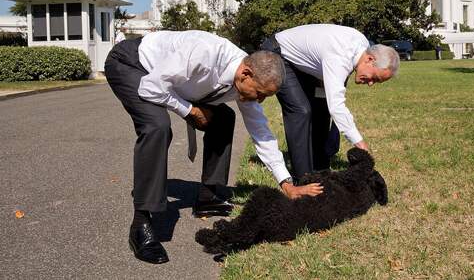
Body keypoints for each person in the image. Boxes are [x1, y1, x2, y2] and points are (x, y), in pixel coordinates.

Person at [104, 30, 323, 264]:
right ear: (246, 74)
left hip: (172, 80)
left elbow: (261, 131)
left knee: (224, 118)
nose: (259, 100)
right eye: (259, 94)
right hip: (134, 64)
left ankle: (208, 197)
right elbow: (151, 88)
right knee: (157, 126)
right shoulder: (203, 53)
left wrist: (286, 183)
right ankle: (141, 224)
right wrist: (191, 111)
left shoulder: (245, 78)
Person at [260, 24, 400, 181]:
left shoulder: (362, 48)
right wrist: (360, 144)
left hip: (303, 66)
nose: (370, 83)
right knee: (301, 111)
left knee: (321, 109)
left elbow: (330, 102)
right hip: (277, 54)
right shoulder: (340, 56)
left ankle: (321, 169)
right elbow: (337, 106)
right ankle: (303, 179)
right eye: (375, 78)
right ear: (369, 59)